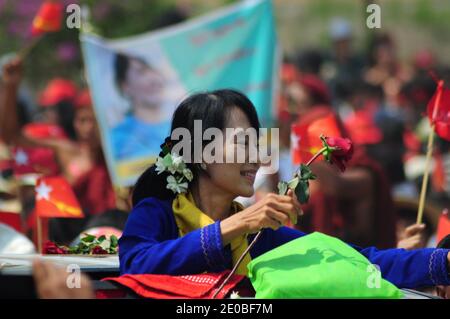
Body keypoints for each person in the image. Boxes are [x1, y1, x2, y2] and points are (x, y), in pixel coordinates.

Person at [119, 89, 450, 290]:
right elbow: (134, 263)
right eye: (243, 143)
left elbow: (355, 261)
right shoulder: (158, 212)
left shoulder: (262, 235)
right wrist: (236, 225)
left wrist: (441, 262)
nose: (259, 157)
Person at [0, 57, 116, 243]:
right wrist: (11, 86)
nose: (89, 128)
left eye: (95, 121)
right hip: (69, 240)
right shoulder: (65, 149)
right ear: (74, 121)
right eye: (83, 120)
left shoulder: (119, 158)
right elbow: (11, 136)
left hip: (111, 236)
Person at [112, 53, 172, 160]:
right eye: (141, 72)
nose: (154, 79)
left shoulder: (181, 127)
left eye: (155, 70)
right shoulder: (117, 138)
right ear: (125, 86)